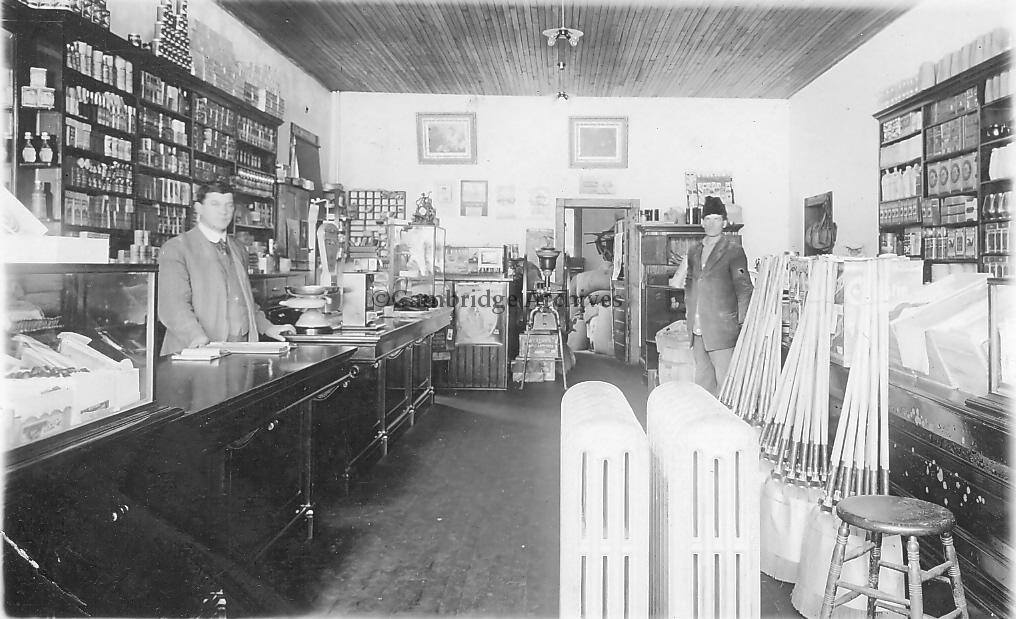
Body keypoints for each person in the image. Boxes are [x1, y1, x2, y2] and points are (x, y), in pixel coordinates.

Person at [158, 178, 294, 355]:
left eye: (228, 205)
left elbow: (247, 302)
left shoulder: (238, 248)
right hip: (197, 353)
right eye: (215, 204)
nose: (223, 211)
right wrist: (195, 336)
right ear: (199, 208)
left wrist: (268, 327)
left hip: (241, 350)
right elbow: (173, 306)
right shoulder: (178, 248)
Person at [684, 196, 754, 395]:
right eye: (707, 219)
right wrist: (689, 314)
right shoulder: (694, 251)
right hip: (698, 329)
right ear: (701, 222)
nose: (711, 224)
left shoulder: (734, 251)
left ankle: (727, 423)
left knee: (726, 383)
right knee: (703, 380)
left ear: (724, 223)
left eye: (716, 219)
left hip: (722, 330)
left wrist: (741, 324)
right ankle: (706, 421)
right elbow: (689, 283)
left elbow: (744, 289)